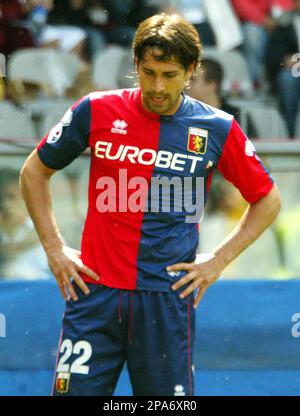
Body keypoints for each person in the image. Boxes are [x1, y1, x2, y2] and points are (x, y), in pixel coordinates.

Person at [20, 13, 281, 396]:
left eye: (170, 74)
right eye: (150, 72)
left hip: (165, 301)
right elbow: (33, 172)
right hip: (94, 295)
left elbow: (268, 199)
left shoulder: (217, 127)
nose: (157, 86)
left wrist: (218, 261)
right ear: (137, 64)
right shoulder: (95, 110)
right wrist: (54, 247)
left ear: (191, 70)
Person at [265, 0, 300, 138]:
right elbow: (273, 58)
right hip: (295, 72)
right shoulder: (284, 24)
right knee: (286, 79)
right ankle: (290, 133)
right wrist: (284, 60)